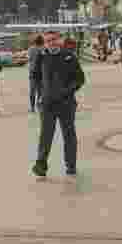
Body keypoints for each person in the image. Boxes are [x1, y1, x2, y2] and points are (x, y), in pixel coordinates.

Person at [31, 30, 86, 180]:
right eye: (48, 40)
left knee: (69, 135)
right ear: (44, 42)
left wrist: (67, 91)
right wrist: (41, 94)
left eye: (54, 39)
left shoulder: (69, 56)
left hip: (66, 103)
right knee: (45, 136)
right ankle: (41, 167)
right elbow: (34, 76)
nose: (51, 43)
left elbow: (80, 79)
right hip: (47, 104)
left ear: (59, 40)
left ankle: (71, 166)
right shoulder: (40, 56)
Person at [28, 35, 45, 113]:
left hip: (32, 72)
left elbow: (29, 59)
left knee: (32, 90)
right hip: (42, 72)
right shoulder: (44, 49)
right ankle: (39, 106)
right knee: (40, 91)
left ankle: (32, 107)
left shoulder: (31, 49)